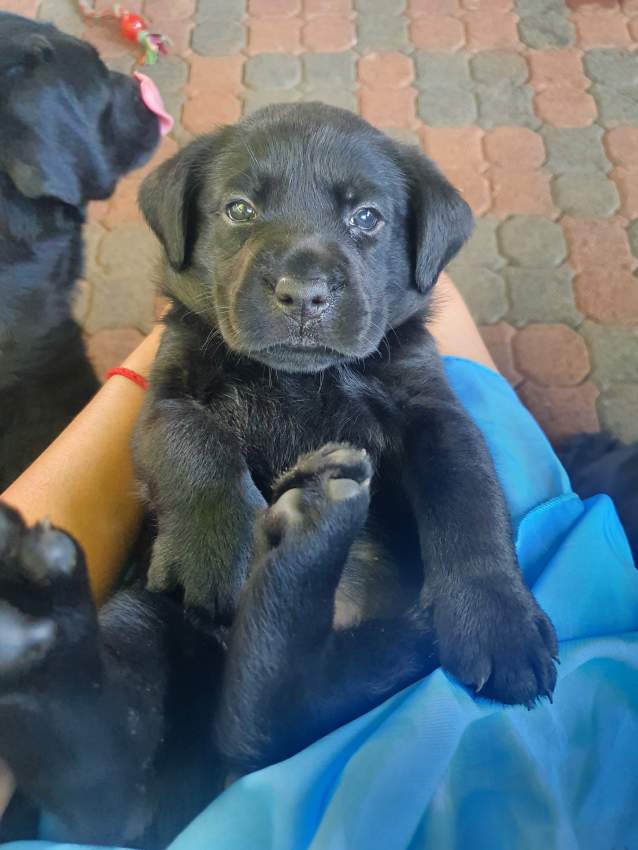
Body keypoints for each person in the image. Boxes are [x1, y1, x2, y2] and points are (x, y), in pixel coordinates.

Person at [1, 276, 637, 849]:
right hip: (456, 738)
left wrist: (156, 361)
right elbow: (440, 421)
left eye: (363, 220)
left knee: (137, 648)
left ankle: (69, 701)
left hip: (177, 790)